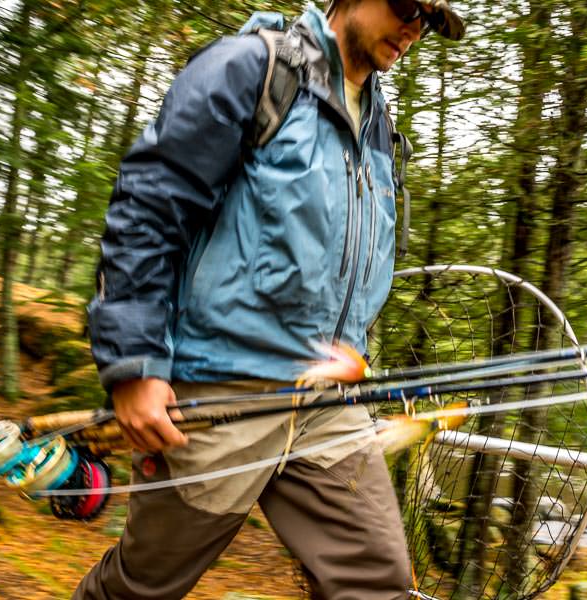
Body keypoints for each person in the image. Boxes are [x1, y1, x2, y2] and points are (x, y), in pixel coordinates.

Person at [76, 0, 464, 598]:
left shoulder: (381, 125)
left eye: (431, 21)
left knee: (378, 582)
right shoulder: (250, 70)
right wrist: (135, 366)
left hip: (327, 402)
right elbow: (149, 210)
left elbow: (345, 264)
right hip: (222, 391)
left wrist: (356, 353)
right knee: (143, 587)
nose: (415, 26)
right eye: (408, 5)